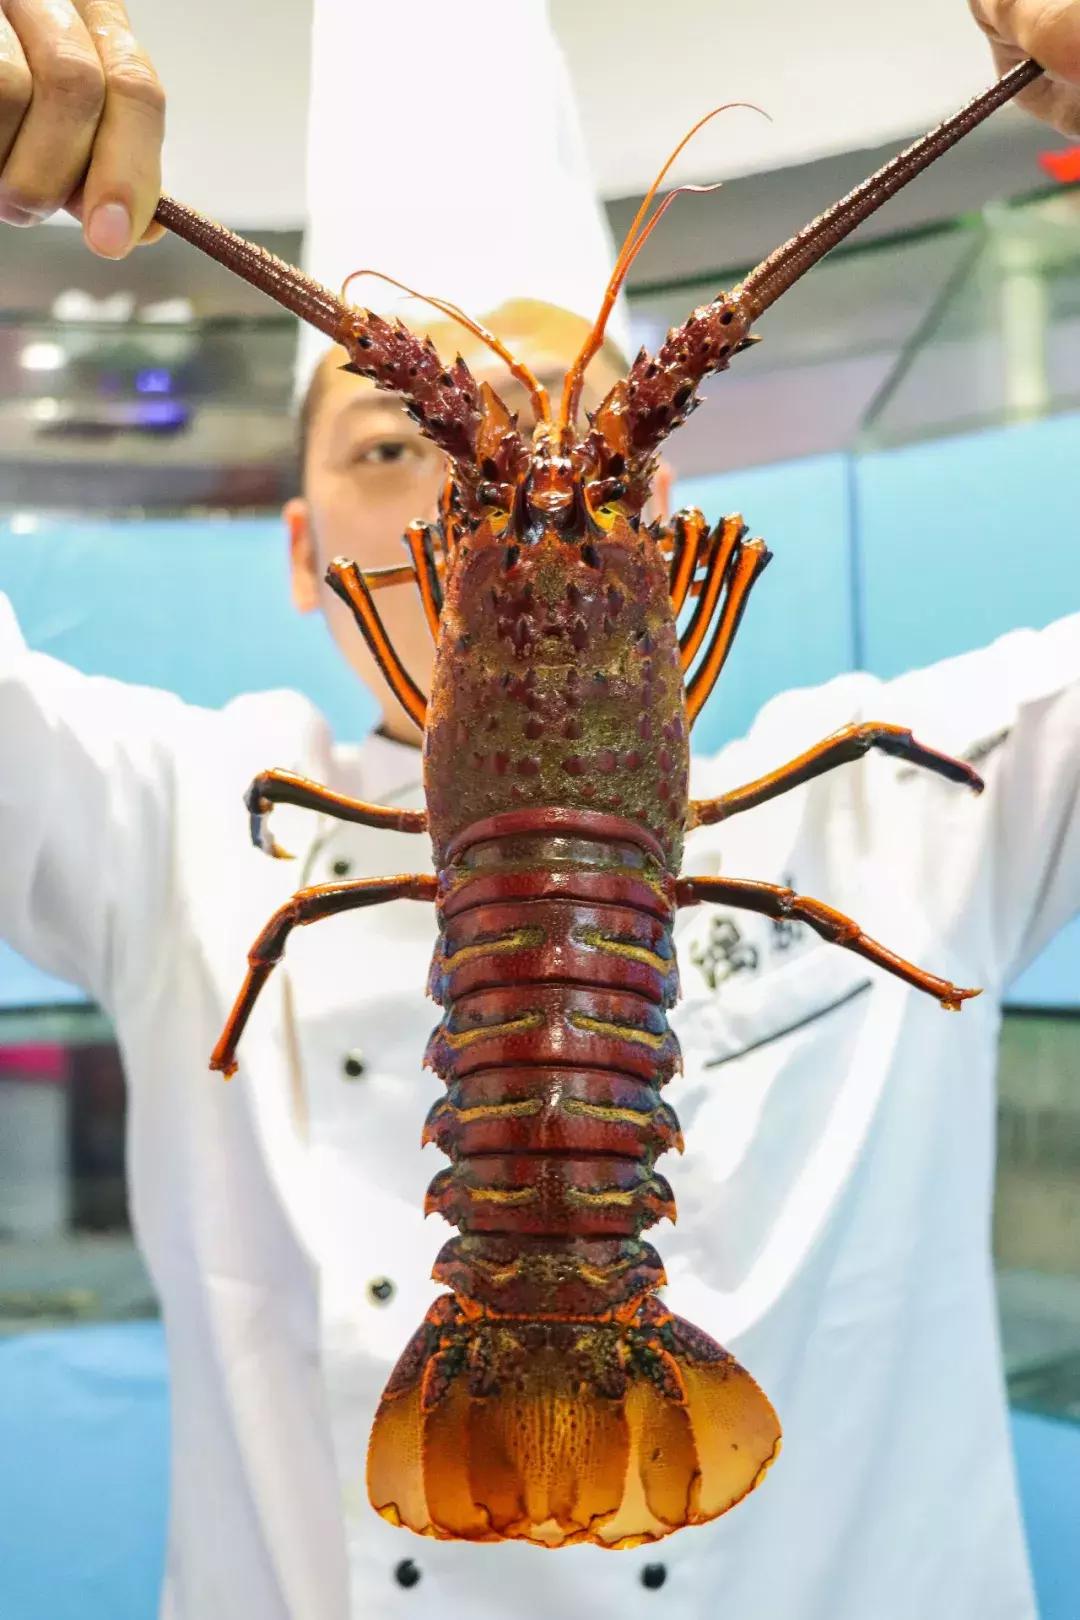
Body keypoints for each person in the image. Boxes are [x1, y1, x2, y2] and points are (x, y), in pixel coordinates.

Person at [1, 4, 1078, 1620]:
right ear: (312, 559)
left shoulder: (924, 782)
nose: (470, 485)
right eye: (400, 440)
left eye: (588, 445)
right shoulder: (177, 815)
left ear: (680, 537)